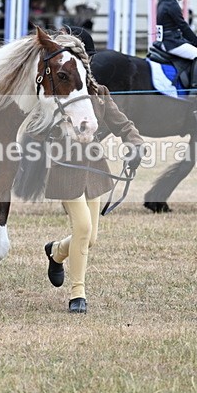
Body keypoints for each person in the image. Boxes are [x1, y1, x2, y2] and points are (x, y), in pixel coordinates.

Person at [33, 28, 144, 314]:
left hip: (94, 170)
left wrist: (135, 145)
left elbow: (124, 125)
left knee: (90, 238)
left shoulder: (100, 94)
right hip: (64, 169)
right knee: (82, 227)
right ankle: (77, 293)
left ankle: (56, 251)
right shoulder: (53, 96)